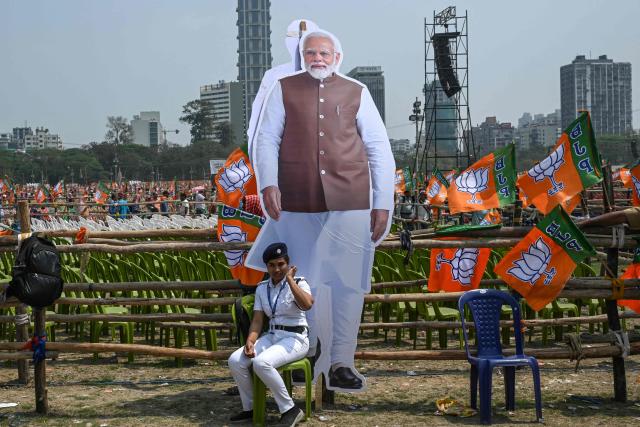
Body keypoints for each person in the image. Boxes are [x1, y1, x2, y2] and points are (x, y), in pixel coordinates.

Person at [247, 29, 395, 391]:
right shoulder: (284, 88)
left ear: (337, 57)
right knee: (302, 281)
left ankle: (342, 360)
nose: (318, 59)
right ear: (303, 55)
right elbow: (267, 138)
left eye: (324, 53)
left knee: (348, 284)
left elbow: (378, 147)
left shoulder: (357, 91)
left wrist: (383, 202)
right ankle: (307, 351)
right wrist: (269, 182)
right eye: (311, 52)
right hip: (297, 200)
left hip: (352, 199)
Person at [228, 242, 313, 426]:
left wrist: (290, 280)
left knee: (261, 362)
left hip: (296, 338)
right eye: (272, 265)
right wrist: (251, 341)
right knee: (235, 360)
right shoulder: (262, 287)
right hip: (273, 335)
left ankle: (290, 409)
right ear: (266, 266)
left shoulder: (300, 282)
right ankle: (251, 408)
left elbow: (307, 304)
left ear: (288, 264)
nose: (277, 269)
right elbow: (258, 320)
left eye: (281, 264)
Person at [247, 18, 320, 158]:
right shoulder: (273, 76)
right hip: (283, 151)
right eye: (296, 37)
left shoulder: (332, 79)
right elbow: (257, 117)